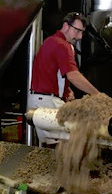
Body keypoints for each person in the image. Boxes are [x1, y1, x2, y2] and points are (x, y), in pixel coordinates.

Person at [28, 12, 100, 144]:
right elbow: (73, 75)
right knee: (66, 145)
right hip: (47, 102)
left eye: (82, 32)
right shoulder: (62, 45)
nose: (79, 37)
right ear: (66, 26)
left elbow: (52, 73)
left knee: (58, 144)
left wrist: (67, 91)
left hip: (41, 99)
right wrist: (98, 95)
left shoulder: (51, 41)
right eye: (77, 31)